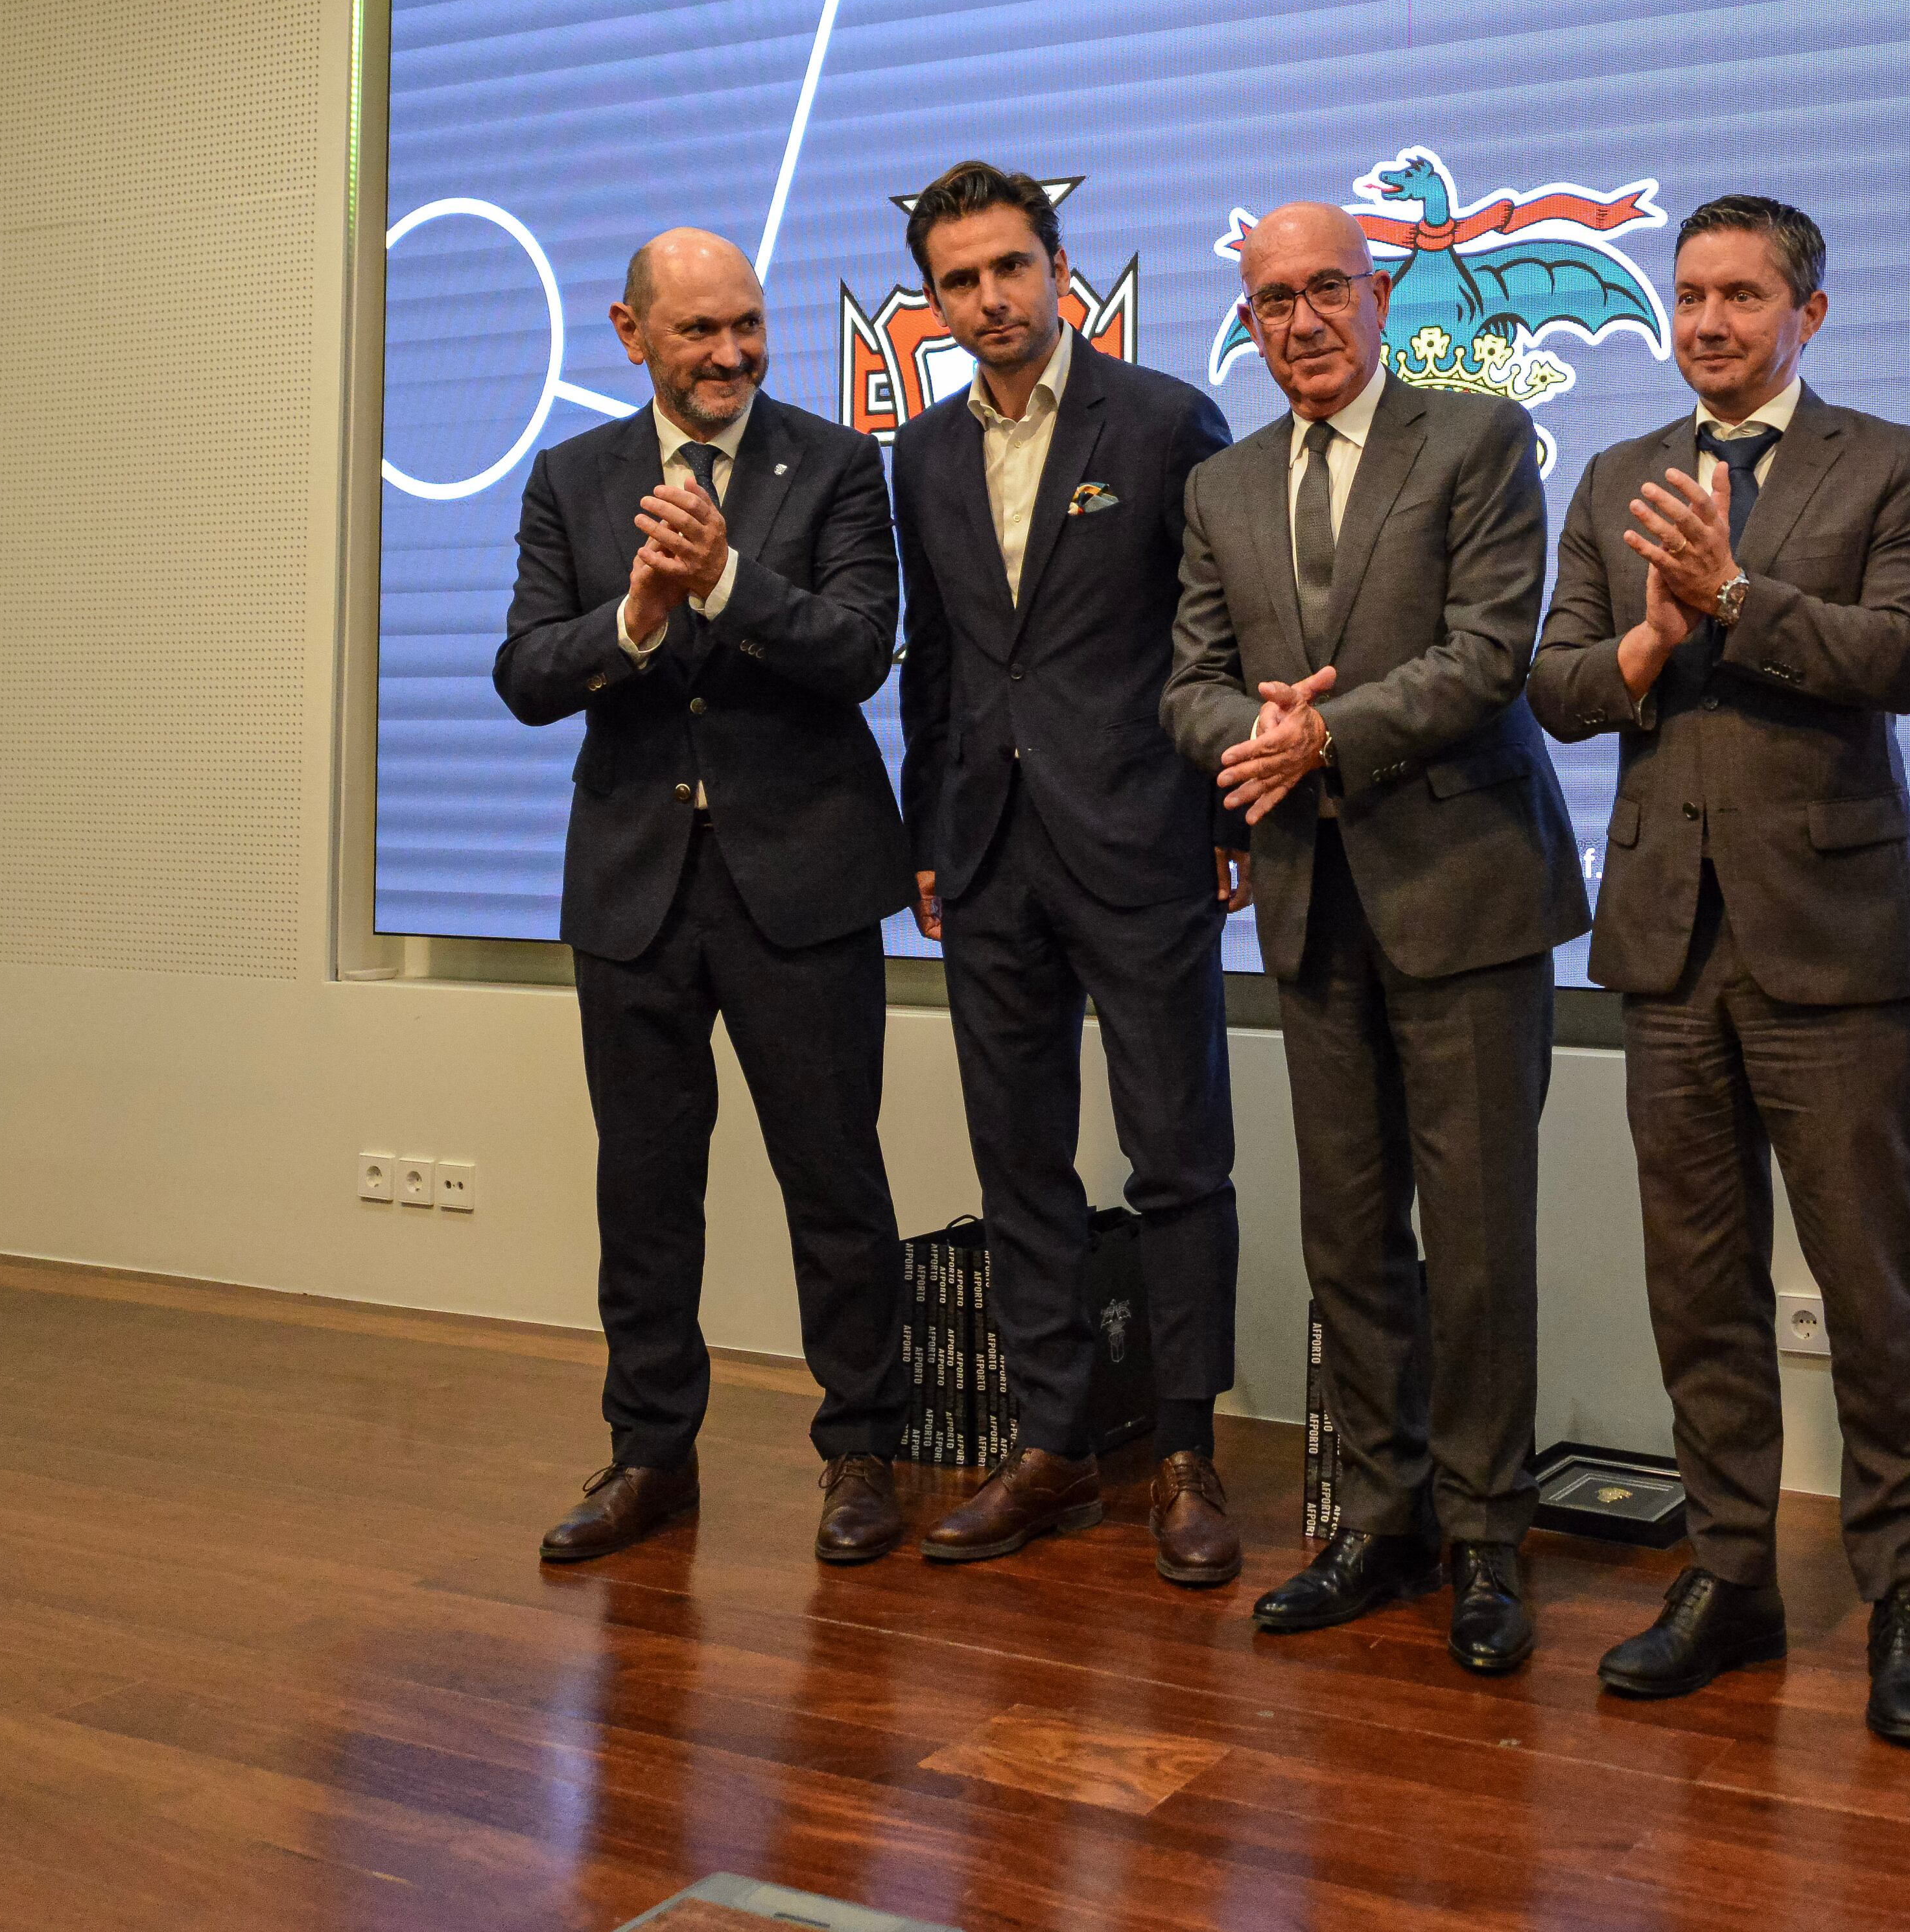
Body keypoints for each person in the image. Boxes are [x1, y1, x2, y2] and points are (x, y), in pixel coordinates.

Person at [1527, 194, 1910, 1744]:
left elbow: (1906, 657)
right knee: (1698, 1290)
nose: (1710, 321)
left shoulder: (1890, 463)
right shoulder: (1613, 473)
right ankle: (1730, 1574)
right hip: (1666, 946)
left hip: (1830, 948)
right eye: (1692, 294)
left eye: (1743, 296)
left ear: (1810, 315)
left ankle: (1905, 1593)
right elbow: (1559, 686)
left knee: (1869, 1293)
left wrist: (1730, 600)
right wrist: (1648, 644)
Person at [1164, 200, 1589, 1677]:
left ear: (1381, 289)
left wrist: (1319, 736)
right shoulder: (1220, 486)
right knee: (1351, 1239)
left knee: (1474, 1249)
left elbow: (1486, 658)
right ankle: (1381, 1518)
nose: (1300, 321)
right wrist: (1262, 736)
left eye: (1326, 289)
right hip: (1310, 902)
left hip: (1467, 892)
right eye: (1273, 299)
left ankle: (1486, 1541)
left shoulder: (1475, 439)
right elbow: (1188, 685)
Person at [494, 227, 915, 1568]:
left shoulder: (840, 463)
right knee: (646, 1189)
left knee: (835, 1184)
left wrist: (723, 582)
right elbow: (523, 671)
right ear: (630, 335)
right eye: (696, 331)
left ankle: (860, 1451)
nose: (731, 350)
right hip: (634, 893)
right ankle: (649, 1457)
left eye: (746, 323)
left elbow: (856, 652)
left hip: (805, 880)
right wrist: (636, 613)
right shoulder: (573, 478)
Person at [886, 163, 1249, 1584]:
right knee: (1019, 1160)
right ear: (934, 298)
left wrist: (1228, 819)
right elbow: (936, 659)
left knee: (1176, 1159)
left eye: (1012, 269)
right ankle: (1050, 1445)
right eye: (962, 279)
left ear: (1059, 270)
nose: (991, 299)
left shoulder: (1163, 421)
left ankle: (1181, 1450)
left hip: (1143, 835)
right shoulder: (915, 454)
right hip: (981, 853)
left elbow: (1215, 634)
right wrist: (925, 835)